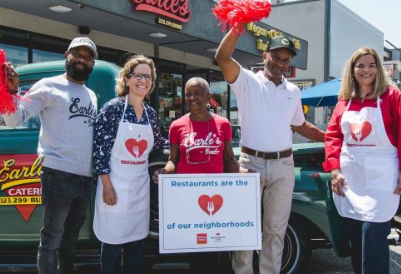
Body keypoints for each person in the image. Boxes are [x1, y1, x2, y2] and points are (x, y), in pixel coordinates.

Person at [215, 30, 325, 274]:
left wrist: (330, 138)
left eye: (285, 60)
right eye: (275, 56)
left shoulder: (293, 92)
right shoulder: (247, 81)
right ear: (264, 56)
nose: (280, 63)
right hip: (250, 163)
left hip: (283, 165)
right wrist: (238, 26)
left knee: (276, 229)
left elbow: (300, 125)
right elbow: (222, 57)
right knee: (245, 226)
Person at [2, 37, 98, 274]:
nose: (82, 59)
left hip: (85, 178)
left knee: (71, 239)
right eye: (77, 54)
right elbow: (15, 119)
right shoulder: (48, 85)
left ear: (92, 63)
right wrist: (11, 90)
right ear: (67, 55)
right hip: (58, 175)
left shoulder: (92, 95)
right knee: (51, 240)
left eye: (87, 56)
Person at [323, 47, 401, 274]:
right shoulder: (344, 100)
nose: (366, 70)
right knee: (356, 240)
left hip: (381, 180)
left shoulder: (393, 96)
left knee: (372, 235)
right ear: (352, 70)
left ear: (379, 68)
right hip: (351, 179)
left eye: (371, 65)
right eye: (360, 65)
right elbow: (333, 136)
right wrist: (334, 170)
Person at [152, 77, 244, 271]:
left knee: (217, 246)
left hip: (217, 195)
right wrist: (165, 171)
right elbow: (173, 160)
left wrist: (246, 175)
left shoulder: (223, 124)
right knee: (196, 249)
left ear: (209, 96)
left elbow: (229, 159)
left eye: (198, 93)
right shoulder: (177, 126)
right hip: (188, 197)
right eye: (188, 94)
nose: (192, 97)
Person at [92, 55, 168, 274]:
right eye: (138, 76)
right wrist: (106, 185)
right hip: (114, 186)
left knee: (136, 246)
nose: (143, 81)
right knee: (113, 245)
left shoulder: (150, 114)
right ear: (127, 79)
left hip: (139, 188)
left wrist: (181, 142)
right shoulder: (113, 109)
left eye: (148, 77)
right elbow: (100, 150)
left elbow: (158, 143)